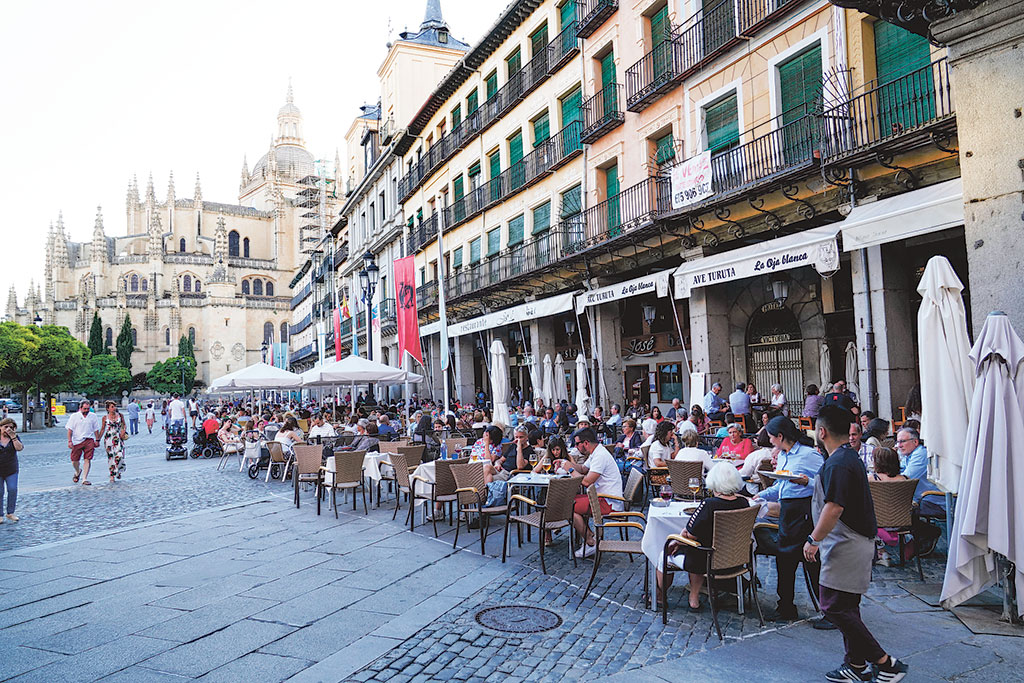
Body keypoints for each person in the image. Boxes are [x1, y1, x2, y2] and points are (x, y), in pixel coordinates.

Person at [804, 405, 909, 682]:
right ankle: (856, 665)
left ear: (822, 431)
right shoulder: (847, 458)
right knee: (847, 607)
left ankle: (885, 663)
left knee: (833, 607)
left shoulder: (838, 463)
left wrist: (814, 539)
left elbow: (834, 507)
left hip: (846, 544)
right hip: (852, 541)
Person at [755, 415, 823, 622]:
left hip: (804, 509)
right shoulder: (783, 455)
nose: (770, 442)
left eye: (772, 438)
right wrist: (762, 495)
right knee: (784, 559)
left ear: (781, 436)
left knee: (810, 560)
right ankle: (785, 605)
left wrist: (805, 482)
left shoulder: (809, 454)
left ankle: (827, 607)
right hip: (788, 510)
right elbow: (782, 486)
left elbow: (824, 484)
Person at [657, 463, 751, 609]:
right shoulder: (744, 503)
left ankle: (660, 595)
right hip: (734, 560)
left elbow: (691, 535)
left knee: (664, 553)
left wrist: (677, 540)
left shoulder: (709, 504)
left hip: (704, 560)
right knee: (696, 548)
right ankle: (694, 595)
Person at [557, 428, 623, 559]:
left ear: (585, 443)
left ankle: (590, 542)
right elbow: (582, 468)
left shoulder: (600, 456)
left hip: (609, 502)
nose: (576, 447)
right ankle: (589, 537)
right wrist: (566, 463)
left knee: (567, 506)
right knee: (568, 501)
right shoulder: (596, 452)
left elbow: (586, 481)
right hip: (601, 497)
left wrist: (569, 469)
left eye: (577, 444)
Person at [67, 400, 101, 485]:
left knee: (87, 459)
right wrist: (69, 441)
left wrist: (97, 440)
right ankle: (78, 471)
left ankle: (84, 478)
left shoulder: (93, 416)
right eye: (84, 409)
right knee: (74, 460)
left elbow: (96, 429)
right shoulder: (74, 416)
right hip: (77, 440)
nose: (86, 410)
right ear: (80, 408)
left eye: (88, 409)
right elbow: (70, 430)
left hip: (89, 439)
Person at [0, 418, 23, 523]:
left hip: (11, 469)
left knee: (12, 489)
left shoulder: (15, 438)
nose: (8, 429)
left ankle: (10, 512)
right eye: (6, 427)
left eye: (11, 427)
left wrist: (13, 437)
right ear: (1, 427)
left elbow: (19, 448)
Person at [100, 400, 128, 483]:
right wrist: (98, 439)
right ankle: (112, 475)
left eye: (115, 406)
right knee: (111, 457)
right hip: (109, 438)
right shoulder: (105, 418)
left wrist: (123, 430)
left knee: (119, 455)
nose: (114, 408)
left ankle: (118, 470)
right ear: (108, 409)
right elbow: (102, 429)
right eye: (112, 407)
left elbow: (124, 424)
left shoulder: (120, 415)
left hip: (118, 437)